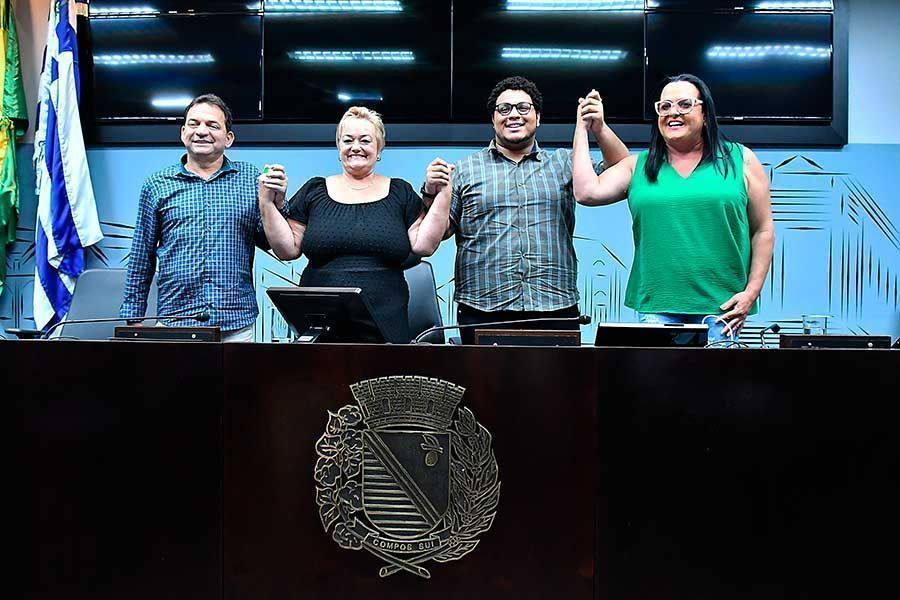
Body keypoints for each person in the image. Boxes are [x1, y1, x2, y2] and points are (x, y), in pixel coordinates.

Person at [422, 76, 630, 344]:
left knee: (558, 375)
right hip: (482, 309)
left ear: (538, 117)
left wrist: (599, 127)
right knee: (484, 375)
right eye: (504, 109)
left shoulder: (564, 163)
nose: (513, 115)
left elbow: (622, 170)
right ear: (493, 119)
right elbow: (438, 232)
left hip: (555, 306)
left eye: (523, 107)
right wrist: (431, 191)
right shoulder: (464, 170)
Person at [572, 74, 775, 342]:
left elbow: (763, 230)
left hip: (722, 309)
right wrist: (583, 128)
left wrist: (751, 293)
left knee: (720, 372)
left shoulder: (740, 160)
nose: (673, 112)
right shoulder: (639, 166)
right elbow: (586, 192)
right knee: (658, 372)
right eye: (664, 106)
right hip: (657, 307)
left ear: (705, 114)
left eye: (684, 104)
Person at [259, 106, 451, 344]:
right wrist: (266, 201)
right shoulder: (314, 190)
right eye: (348, 140)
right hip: (320, 320)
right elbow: (286, 250)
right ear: (338, 147)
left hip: (387, 322)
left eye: (365, 140)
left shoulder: (400, 191)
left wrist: (443, 192)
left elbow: (425, 245)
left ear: (379, 148)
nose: (355, 147)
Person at [120, 94, 286, 342]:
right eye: (194, 123)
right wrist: (134, 318)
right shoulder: (157, 184)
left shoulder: (251, 180)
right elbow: (141, 256)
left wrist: (276, 202)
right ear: (183, 132)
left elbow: (272, 242)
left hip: (236, 325)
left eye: (212, 125)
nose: (201, 131)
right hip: (175, 321)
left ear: (228, 138)